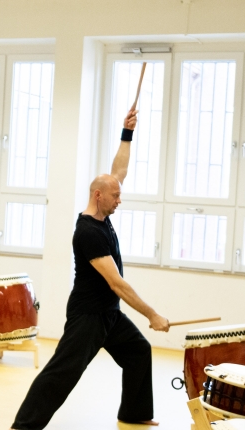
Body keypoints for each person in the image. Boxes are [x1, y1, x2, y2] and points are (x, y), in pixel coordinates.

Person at [11, 108, 167, 429]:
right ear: (99, 196)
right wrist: (152, 314)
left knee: (138, 351)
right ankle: (23, 426)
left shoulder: (103, 213)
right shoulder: (88, 232)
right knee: (63, 372)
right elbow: (118, 284)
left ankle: (134, 413)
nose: (120, 199)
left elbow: (118, 170)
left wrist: (127, 133)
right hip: (89, 316)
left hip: (109, 315)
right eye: (115, 196)